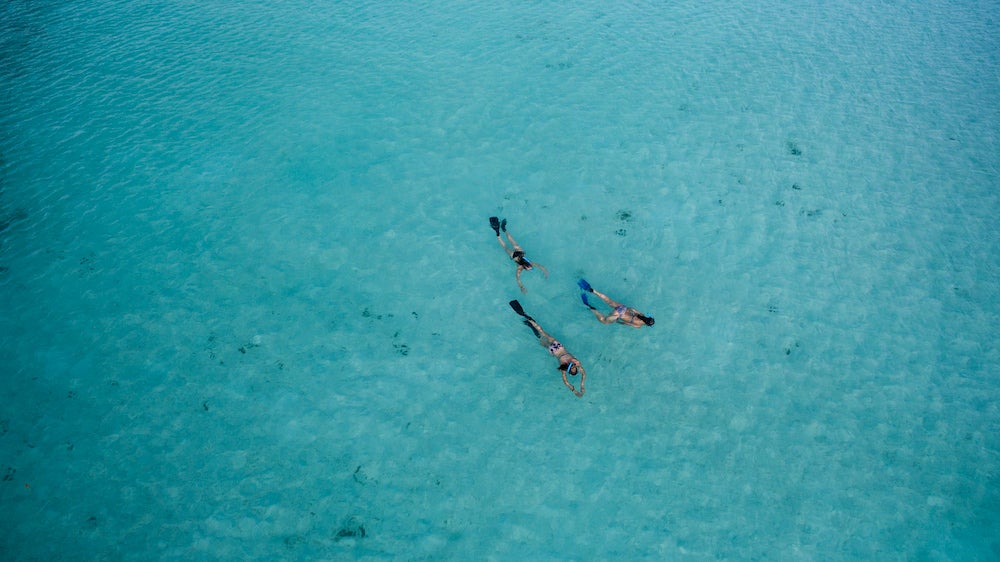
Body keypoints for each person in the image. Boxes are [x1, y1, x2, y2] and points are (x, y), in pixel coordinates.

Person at [509, 300, 586, 397]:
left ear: (570, 369)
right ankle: (529, 320)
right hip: (556, 348)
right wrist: (581, 387)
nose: (574, 367)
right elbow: (581, 375)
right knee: (541, 334)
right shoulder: (573, 363)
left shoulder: (571, 364)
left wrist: (576, 390)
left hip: (556, 348)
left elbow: (567, 381)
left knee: (541, 333)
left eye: (573, 368)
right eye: (575, 368)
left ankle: (530, 322)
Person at [490, 217, 548, 293]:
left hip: (520, 252)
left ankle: (504, 229)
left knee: (511, 240)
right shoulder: (520, 268)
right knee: (505, 247)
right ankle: (498, 233)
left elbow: (540, 266)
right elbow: (517, 278)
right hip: (513, 255)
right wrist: (521, 287)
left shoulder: (530, 263)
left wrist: (545, 272)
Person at [577, 279, 655, 328]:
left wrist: (627, 310)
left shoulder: (642, 314)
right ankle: (591, 308)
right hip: (619, 314)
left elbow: (632, 309)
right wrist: (618, 321)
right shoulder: (638, 325)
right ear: (647, 325)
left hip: (623, 308)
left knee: (607, 299)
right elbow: (625, 323)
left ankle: (592, 290)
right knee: (604, 321)